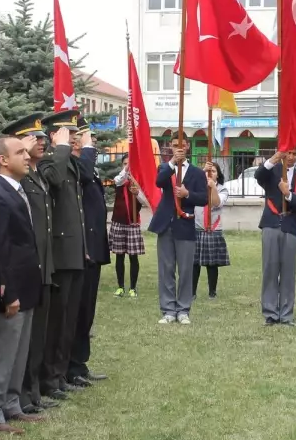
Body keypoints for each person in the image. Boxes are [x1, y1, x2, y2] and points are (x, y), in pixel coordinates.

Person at [0, 137, 46, 434]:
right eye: (20, 152)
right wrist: (9, 291)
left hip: (29, 284)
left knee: (18, 351)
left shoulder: (16, 190)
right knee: (3, 351)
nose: (27, 156)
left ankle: (11, 403)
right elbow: (1, 247)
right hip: (13, 289)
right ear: (3, 160)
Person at [3, 116, 56, 417]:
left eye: (40, 138)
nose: (40, 142)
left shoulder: (35, 173)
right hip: (24, 269)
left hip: (41, 265)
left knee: (35, 336)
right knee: (19, 340)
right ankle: (22, 394)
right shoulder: (17, 176)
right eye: (30, 139)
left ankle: (31, 392)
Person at [38, 113, 86, 402]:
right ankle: (50, 377)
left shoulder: (65, 160)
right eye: (69, 132)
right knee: (57, 321)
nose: (74, 137)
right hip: (60, 253)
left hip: (75, 252)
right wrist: (60, 148)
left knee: (68, 320)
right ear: (56, 135)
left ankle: (60, 373)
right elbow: (54, 180)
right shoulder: (48, 162)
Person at [149, 140, 208, 325]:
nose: (179, 148)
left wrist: (187, 194)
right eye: (175, 145)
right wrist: (173, 162)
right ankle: (168, 309)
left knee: (185, 270)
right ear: (171, 148)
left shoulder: (197, 173)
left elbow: (204, 198)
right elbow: (158, 182)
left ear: (188, 147)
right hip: (166, 225)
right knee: (166, 270)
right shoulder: (165, 168)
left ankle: (183, 309)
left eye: (182, 145)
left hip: (186, 225)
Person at [70, 121, 109, 386]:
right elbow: (82, 175)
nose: (90, 142)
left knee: (87, 312)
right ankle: (70, 367)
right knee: (76, 312)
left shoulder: (83, 166)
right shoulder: (69, 166)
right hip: (79, 250)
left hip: (92, 248)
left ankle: (80, 363)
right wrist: (85, 152)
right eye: (83, 139)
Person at [256, 142, 296, 326]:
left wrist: (288, 195)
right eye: (288, 153)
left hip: (290, 227)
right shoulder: (272, 172)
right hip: (271, 224)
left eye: (295, 153)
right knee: (270, 270)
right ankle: (270, 314)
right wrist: (274, 158)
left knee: (288, 273)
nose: (291, 157)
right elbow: (259, 175)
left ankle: (286, 314)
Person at [111, 156, 148, 299]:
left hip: (132, 223)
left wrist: (137, 192)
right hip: (118, 222)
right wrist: (126, 170)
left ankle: (133, 288)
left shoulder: (137, 182)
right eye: (125, 164)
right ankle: (120, 287)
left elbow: (145, 201)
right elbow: (117, 181)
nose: (127, 166)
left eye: (130, 164)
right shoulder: (120, 180)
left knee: (133, 257)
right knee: (119, 256)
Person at [193, 162, 229, 299]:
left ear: (218, 174)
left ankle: (212, 292)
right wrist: (201, 174)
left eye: (213, 171)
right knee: (194, 263)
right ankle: (192, 292)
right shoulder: (198, 187)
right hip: (198, 228)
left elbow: (216, 203)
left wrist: (213, 187)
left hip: (213, 229)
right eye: (208, 171)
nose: (210, 173)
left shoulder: (222, 189)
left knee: (211, 263)